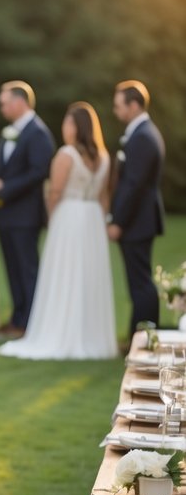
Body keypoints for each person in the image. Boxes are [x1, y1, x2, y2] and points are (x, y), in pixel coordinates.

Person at [0, 102, 117, 360]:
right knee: (87, 275)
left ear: (74, 126)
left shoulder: (66, 154)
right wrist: (104, 221)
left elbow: (54, 191)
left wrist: (53, 219)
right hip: (93, 218)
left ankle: (61, 331)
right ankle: (90, 334)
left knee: (65, 273)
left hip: (69, 218)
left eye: (67, 122)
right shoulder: (104, 157)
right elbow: (104, 196)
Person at [0, 80, 55, 336]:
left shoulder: (37, 133)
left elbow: (39, 172)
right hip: (6, 213)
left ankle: (31, 323)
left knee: (27, 269)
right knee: (12, 269)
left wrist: (3, 186)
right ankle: (17, 317)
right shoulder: (10, 131)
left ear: (19, 102)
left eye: (4, 103)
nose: (1, 108)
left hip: (26, 214)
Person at [108, 80, 165, 335]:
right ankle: (139, 333)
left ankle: (143, 336)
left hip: (137, 221)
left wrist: (118, 221)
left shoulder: (142, 136)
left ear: (133, 105)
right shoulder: (141, 133)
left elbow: (134, 186)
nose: (115, 111)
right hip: (139, 219)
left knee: (140, 282)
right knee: (138, 282)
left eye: (118, 105)